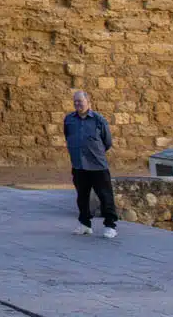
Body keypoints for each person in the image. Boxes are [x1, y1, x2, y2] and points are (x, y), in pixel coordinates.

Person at [64, 90, 118, 238]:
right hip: (79, 166)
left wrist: (94, 151)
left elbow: (107, 142)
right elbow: (67, 136)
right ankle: (85, 224)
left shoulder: (99, 120)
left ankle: (110, 225)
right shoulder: (69, 119)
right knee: (82, 196)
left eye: (80, 101)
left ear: (88, 102)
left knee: (105, 196)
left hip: (97, 165)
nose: (77, 104)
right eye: (75, 101)